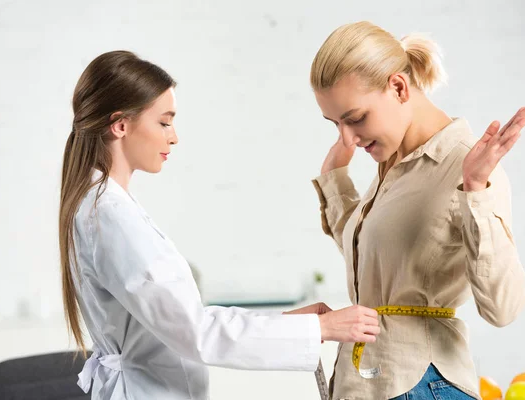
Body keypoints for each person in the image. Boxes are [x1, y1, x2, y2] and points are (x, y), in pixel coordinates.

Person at [58, 50, 381, 400]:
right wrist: (318, 328)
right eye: (164, 122)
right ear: (120, 124)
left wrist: (290, 324)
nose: (174, 137)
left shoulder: (106, 204)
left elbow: (180, 320)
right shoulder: (110, 214)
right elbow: (197, 333)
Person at [309, 21, 525, 399]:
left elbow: (504, 308)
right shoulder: (392, 165)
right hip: (373, 381)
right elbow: (377, 262)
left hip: (421, 384)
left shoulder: (465, 164)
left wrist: (475, 190)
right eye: (336, 124)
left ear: (398, 87)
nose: (348, 138)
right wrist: (335, 180)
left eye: (356, 118)